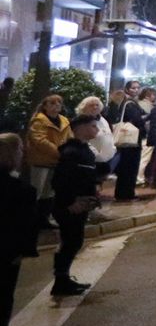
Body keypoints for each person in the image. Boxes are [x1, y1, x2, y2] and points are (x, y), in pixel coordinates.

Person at [51, 115, 102, 297]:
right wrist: (69, 202)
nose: (97, 130)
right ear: (80, 128)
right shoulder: (71, 152)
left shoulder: (84, 150)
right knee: (70, 241)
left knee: (73, 241)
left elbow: (87, 175)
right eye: (93, 126)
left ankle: (62, 279)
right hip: (71, 204)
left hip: (80, 203)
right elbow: (61, 180)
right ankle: (61, 280)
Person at [1, 133, 39, 326]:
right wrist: (22, 251)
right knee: (4, 300)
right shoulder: (19, 190)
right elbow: (24, 227)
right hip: (7, 255)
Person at [25, 93, 71, 227]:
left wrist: (67, 151)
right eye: (52, 103)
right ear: (45, 106)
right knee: (37, 192)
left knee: (49, 192)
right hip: (41, 161)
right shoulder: (39, 120)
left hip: (56, 161)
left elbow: (69, 138)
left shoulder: (64, 120)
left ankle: (45, 219)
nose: (56, 106)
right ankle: (32, 220)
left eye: (58, 103)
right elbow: (39, 140)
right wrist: (59, 152)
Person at [109, 84, 146, 201]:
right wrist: (147, 118)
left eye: (137, 88)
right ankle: (125, 194)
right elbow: (137, 119)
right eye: (133, 88)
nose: (136, 90)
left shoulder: (128, 103)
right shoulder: (129, 104)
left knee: (129, 168)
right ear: (127, 89)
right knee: (129, 168)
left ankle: (126, 193)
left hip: (131, 140)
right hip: (130, 140)